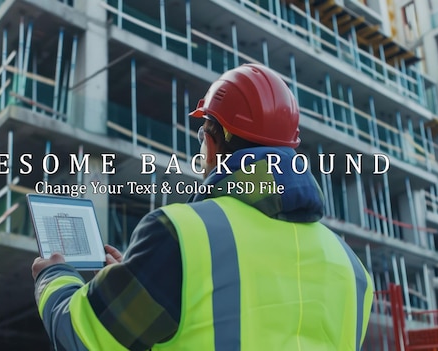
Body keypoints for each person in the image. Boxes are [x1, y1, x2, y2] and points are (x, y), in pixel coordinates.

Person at [32, 63, 374, 350]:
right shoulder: (352, 269)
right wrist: (146, 279)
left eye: (202, 136)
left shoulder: (180, 235)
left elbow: (81, 338)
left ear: (213, 143)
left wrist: (54, 278)